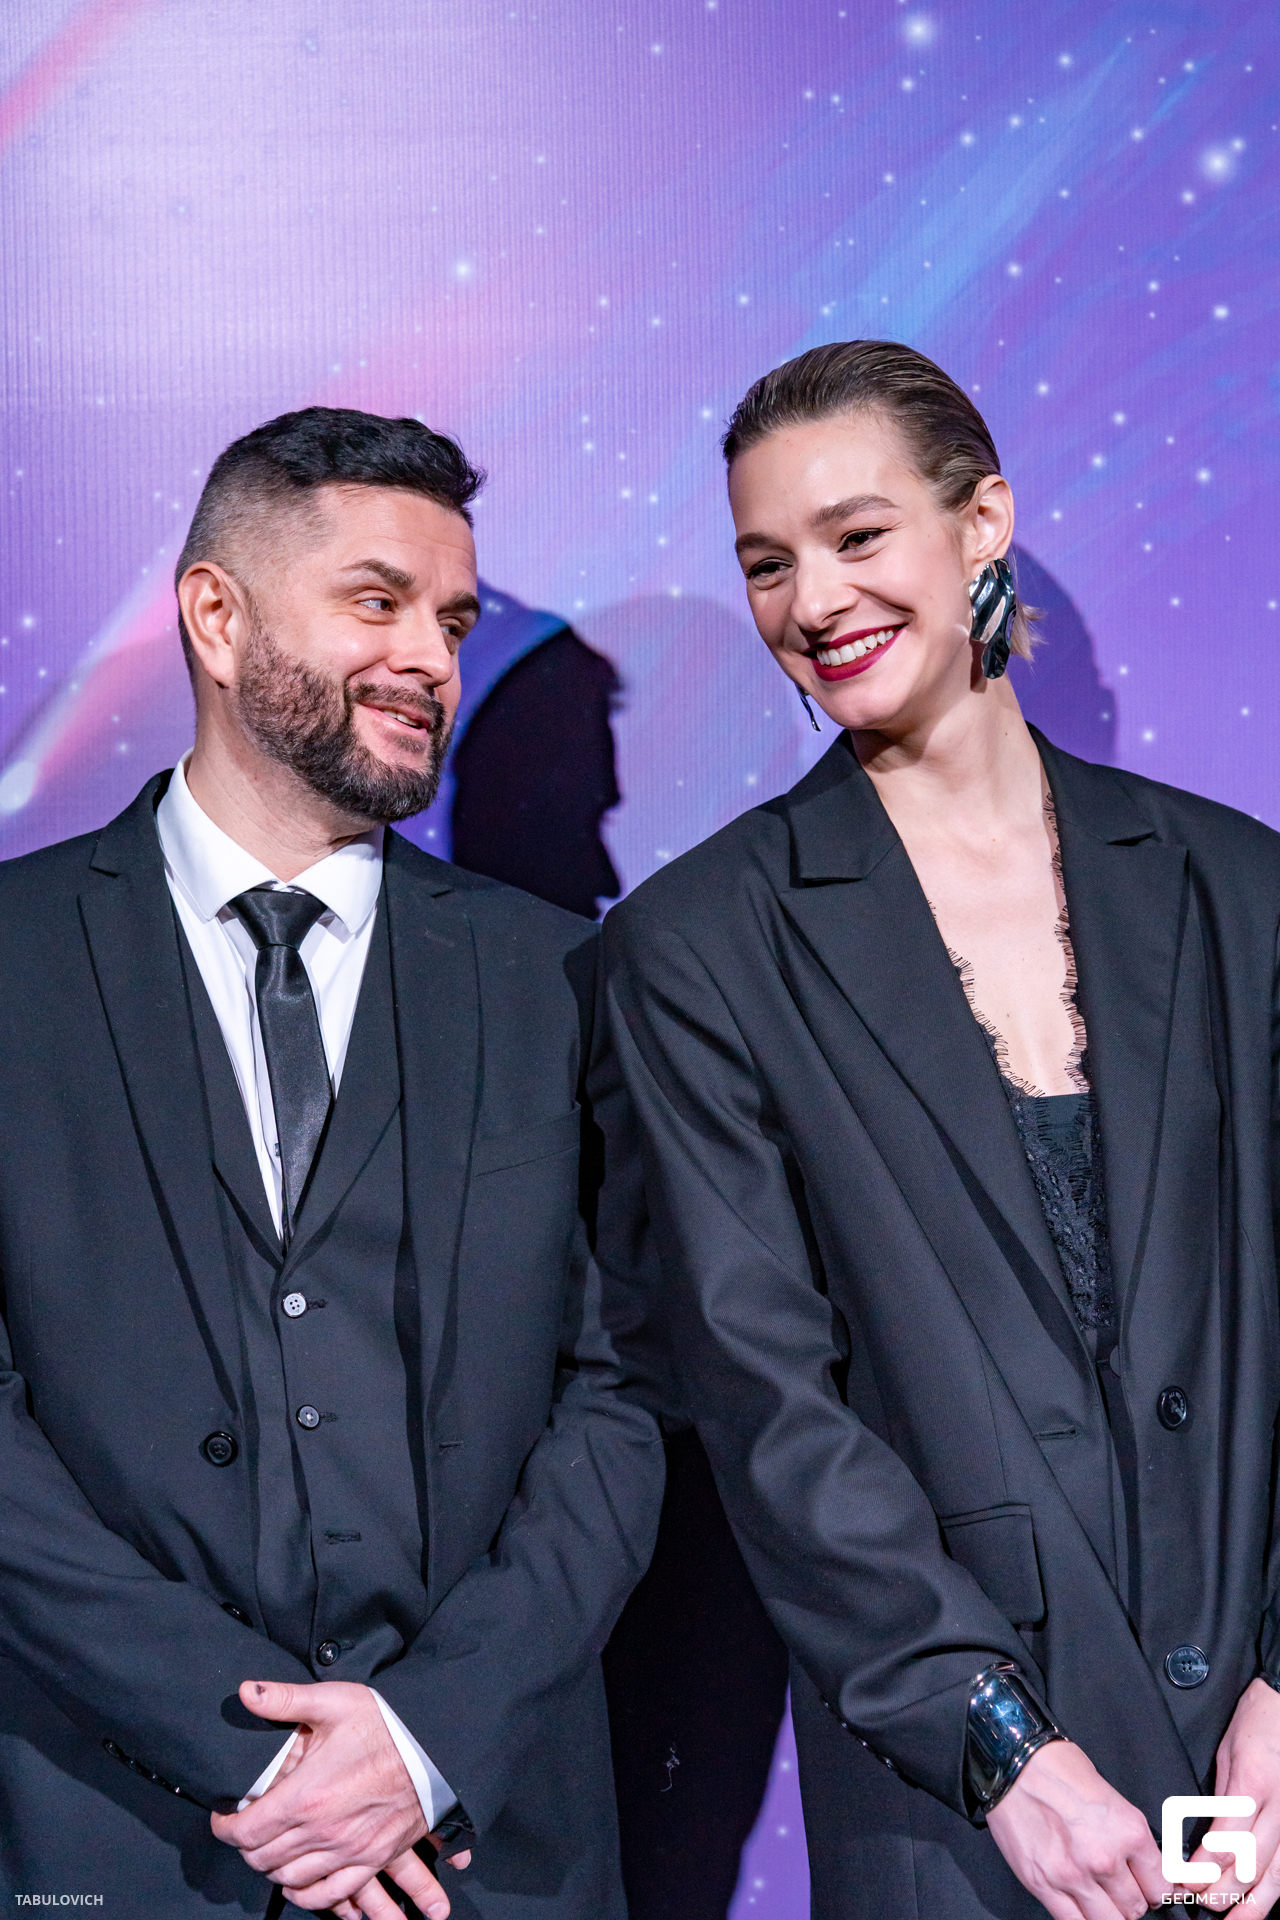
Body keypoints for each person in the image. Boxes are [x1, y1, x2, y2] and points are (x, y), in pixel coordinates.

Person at [602, 340, 1280, 1920]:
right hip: (962, 1814)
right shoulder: (703, 949)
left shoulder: (1235, 889)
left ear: (982, 522)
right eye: (767, 564)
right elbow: (768, 1404)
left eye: (857, 536)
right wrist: (999, 1745)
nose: (813, 601)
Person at [0, 406, 662, 1919]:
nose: (431, 658)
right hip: (114, 1840)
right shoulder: (12, 962)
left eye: (451, 622)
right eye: (379, 601)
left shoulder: (563, 984)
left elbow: (623, 1395)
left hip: (483, 1845)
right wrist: (254, 1750)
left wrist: (426, 1740)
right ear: (217, 618)